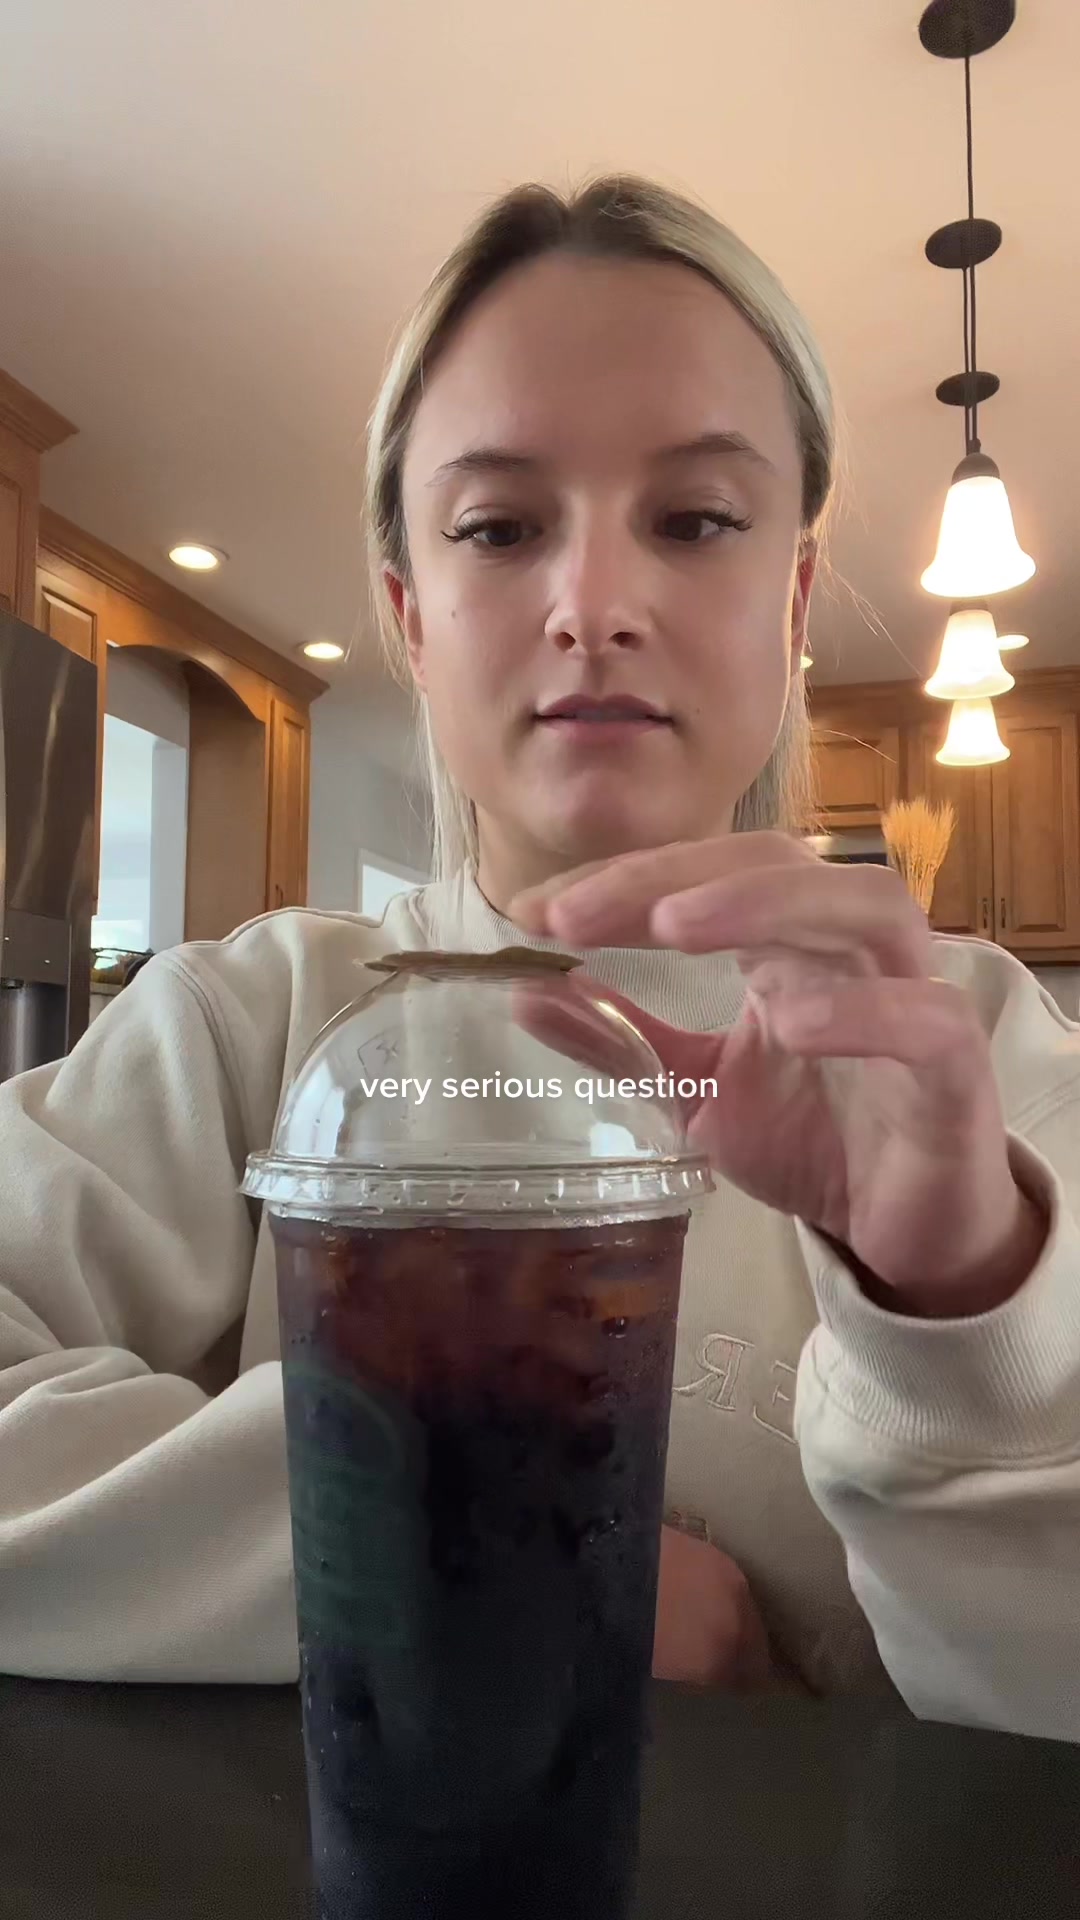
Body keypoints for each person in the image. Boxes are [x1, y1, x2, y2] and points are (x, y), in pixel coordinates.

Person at [2, 176, 1078, 1739]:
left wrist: (968, 1309)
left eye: (694, 520)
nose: (595, 604)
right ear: (410, 616)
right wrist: (487, 1550)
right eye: (500, 528)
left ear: (790, 598)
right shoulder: (243, 1030)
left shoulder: (992, 1061)